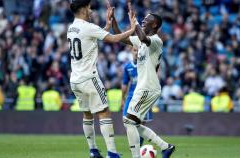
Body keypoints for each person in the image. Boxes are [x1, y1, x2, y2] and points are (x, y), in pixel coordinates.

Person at [67, 0, 137, 158]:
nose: (91, 10)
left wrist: (107, 24)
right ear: (84, 9)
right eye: (89, 7)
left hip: (75, 80)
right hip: (89, 78)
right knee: (104, 112)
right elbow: (113, 39)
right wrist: (132, 29)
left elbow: (95, 35)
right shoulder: (88, 27)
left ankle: (93, 150)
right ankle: (112, 153)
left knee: (87, 114)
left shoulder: (71, 28)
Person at [109, 2, 175, 157]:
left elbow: (144, 38)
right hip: (144, 87)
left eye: (147, 19)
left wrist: (135, 20)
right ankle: (165, 147)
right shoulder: (140, 40)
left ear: (155, 24)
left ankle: (137, 156)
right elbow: (120, 36)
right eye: (143, 19)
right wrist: (113, 21)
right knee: (133, 123)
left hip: (148, 87)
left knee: (128, 121)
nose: (144, 21)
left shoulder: (157, 41)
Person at [121, 47, 153, 146]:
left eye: (138, 51)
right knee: (126, 120)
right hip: (131, 97)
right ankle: (135, 143)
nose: (136, 53)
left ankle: (138, 145)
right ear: (131, 51)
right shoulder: (127, 67)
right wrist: (122, 98)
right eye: (135, 50)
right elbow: (125, 83)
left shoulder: (147, 65)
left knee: (142, 122)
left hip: (144, 97)